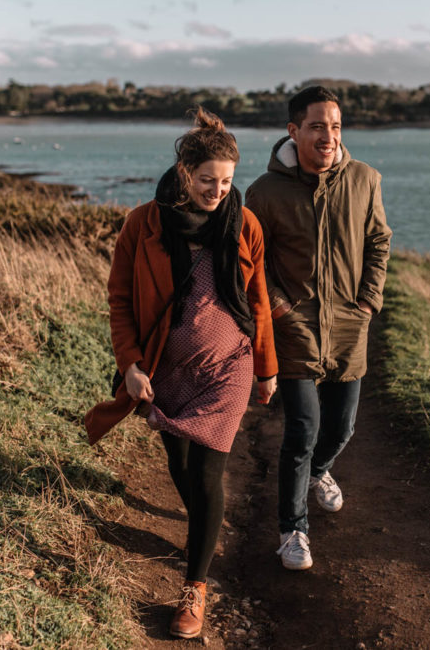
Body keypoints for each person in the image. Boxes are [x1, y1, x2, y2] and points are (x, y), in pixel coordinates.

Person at [83, 108, 277, 639]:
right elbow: (120, 300)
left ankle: (195, 588)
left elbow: (257, 299)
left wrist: (266, 368)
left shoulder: (245, 223)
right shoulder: (144, 223)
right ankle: (201, 527)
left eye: (227, 181)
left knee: (209, 473)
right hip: (166, 365)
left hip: (228, 366)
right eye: (208, 180)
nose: (218, 191)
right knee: (182, 463)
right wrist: (130, 365)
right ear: (184, 172)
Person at [245, 86, 391, 570]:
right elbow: (254, 261)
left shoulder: (365, 180)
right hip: (295, 328)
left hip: (350, 322)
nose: (328, 136)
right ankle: (292, 531)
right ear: (294, 131)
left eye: (335, 126)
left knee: (342, 427)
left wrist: (368, 300)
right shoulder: (264, 193)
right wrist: (280, 308)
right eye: (317, 126)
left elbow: (378, 241)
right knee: (302, 430)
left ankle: (321, 472)